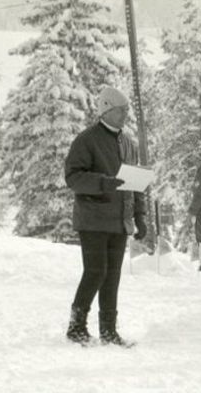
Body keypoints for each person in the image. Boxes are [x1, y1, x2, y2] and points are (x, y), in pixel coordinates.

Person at [64, 87, 147, 347]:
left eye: (126, 110)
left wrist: (140, 216)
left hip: (119, 222)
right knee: (95, 272)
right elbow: (73, 177)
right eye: (122, 110)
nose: (126, 114)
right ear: (107, 110)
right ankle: (76, 327)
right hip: (93, 219)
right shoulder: (86, 140)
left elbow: (135, 183)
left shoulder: (129, 144)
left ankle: (109, 332)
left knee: (112, 276)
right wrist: (104, 183)